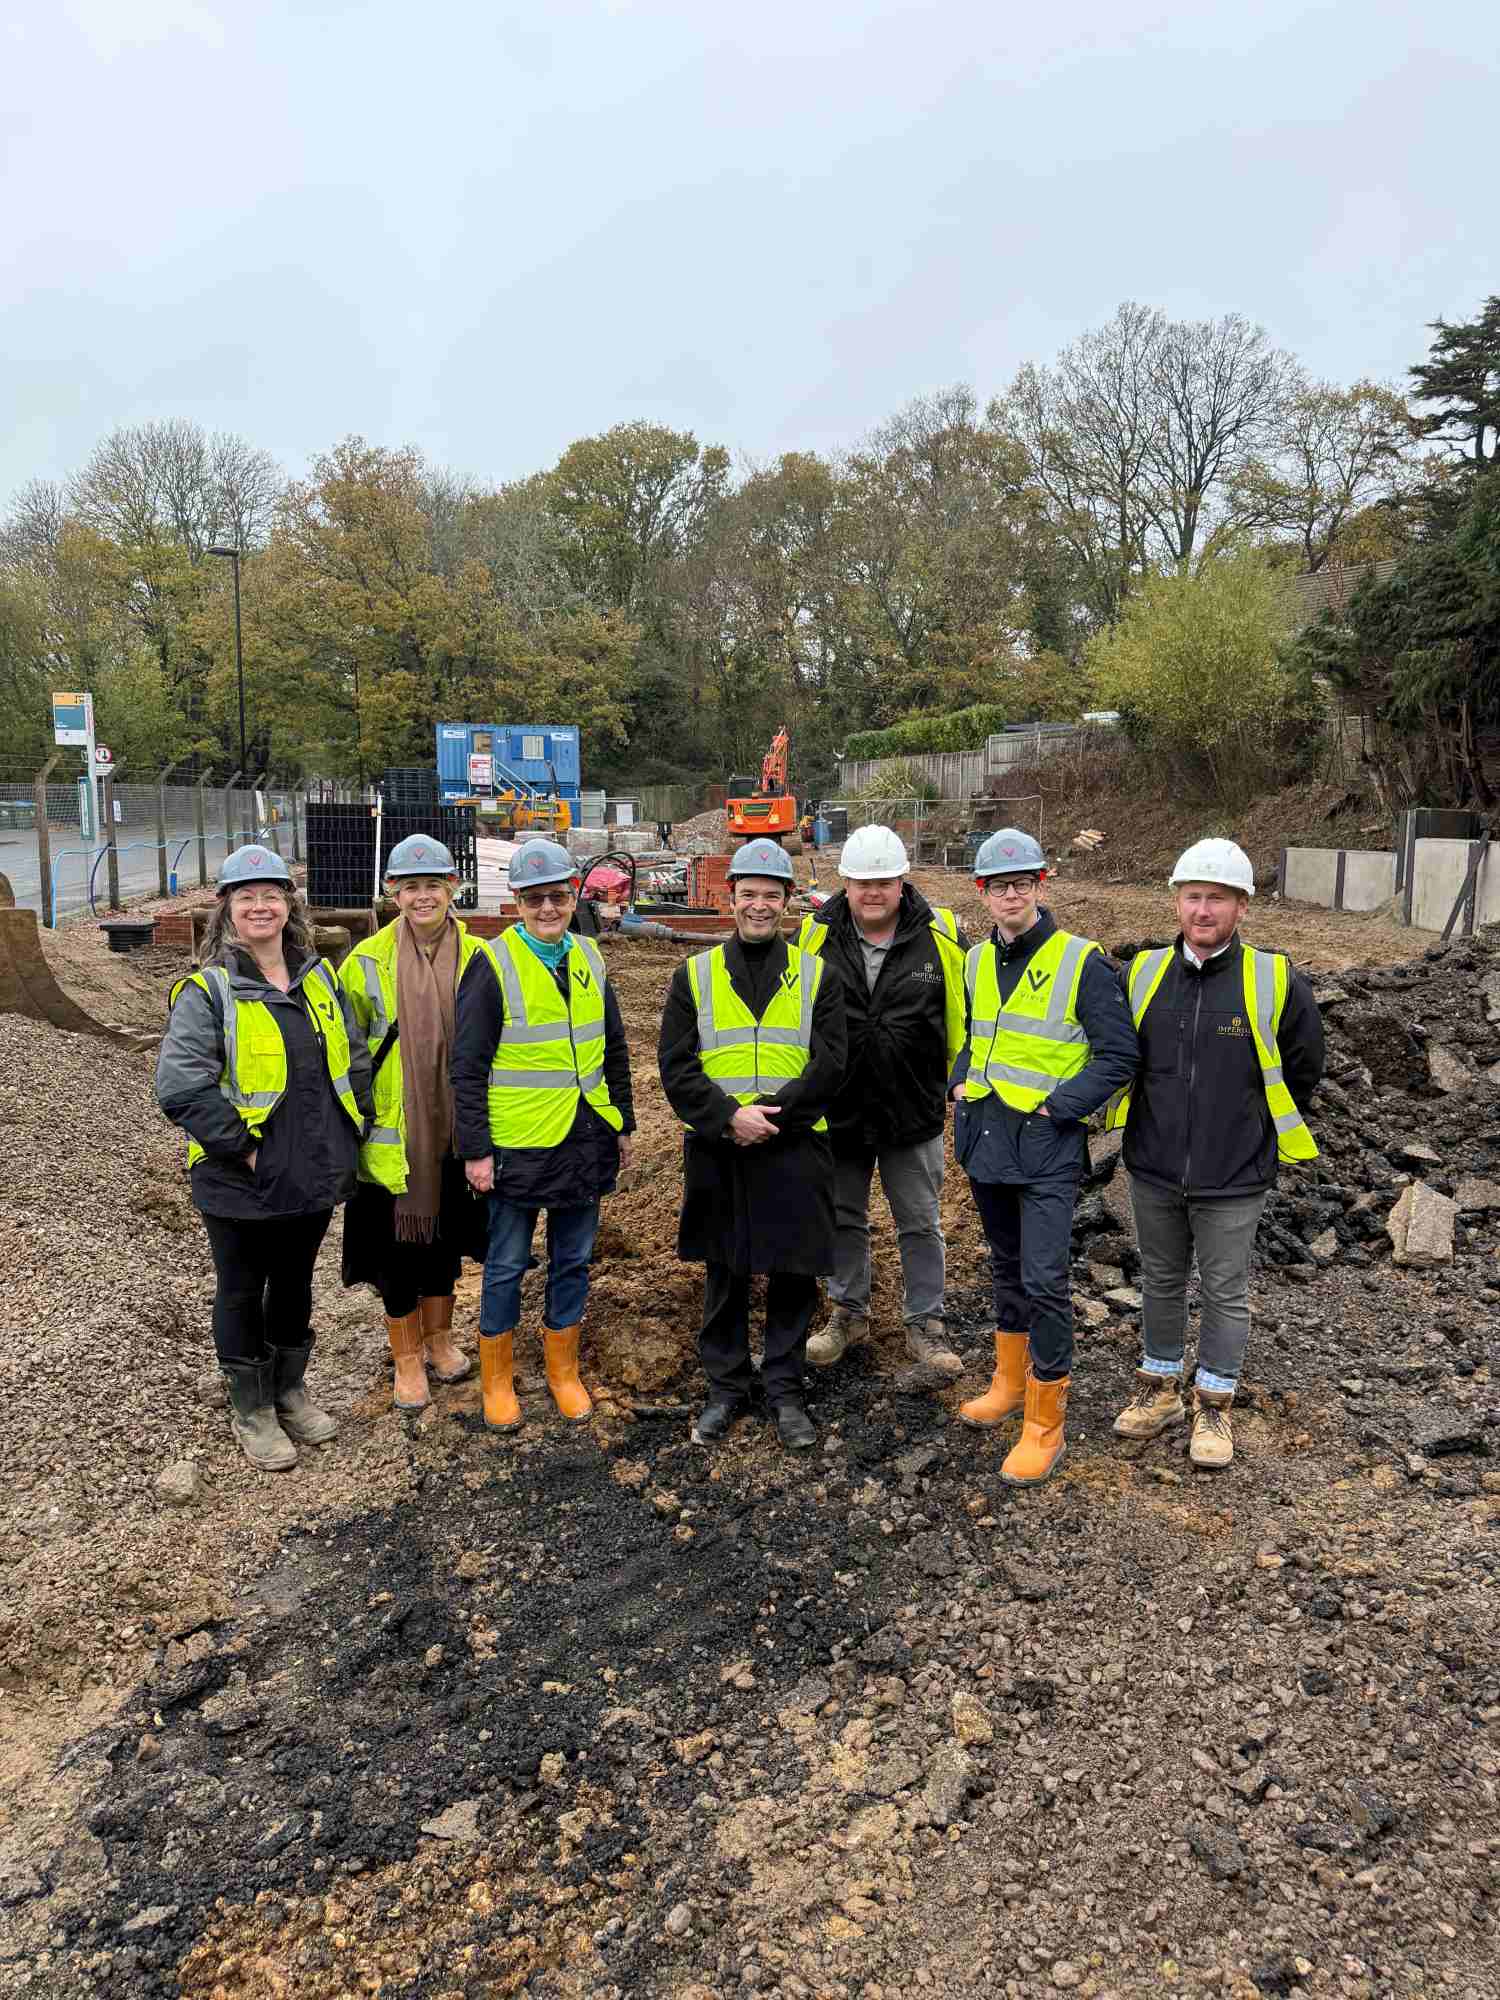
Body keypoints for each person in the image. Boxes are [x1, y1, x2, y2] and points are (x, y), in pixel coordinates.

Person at [1106, 838, 1323, 1468]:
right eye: (1194, 897)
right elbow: (1120, 1056)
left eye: (1218, 899)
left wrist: (1251, 1126)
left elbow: (1305, 1067)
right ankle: (1160, 1389)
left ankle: (1215, 1406)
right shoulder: (1142, 973)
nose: (1204, 910)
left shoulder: (1275, 979)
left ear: (1241, 907)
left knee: (1226, 1291)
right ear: (1177, 901)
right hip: (1153, 1164)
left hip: (1235, 1171)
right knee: (1161, 1281)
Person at [156, 845, 372, 1472]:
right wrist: (246, 1150)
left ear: (289, 906)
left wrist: (350, 1132)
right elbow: (182, 1085)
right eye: (246, 896)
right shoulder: (210, 991)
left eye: (271, 895)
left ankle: (289, 1390)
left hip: (310, 1167)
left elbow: (351, 1060)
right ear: (226, 908)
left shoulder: (318, 978)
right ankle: (251, 1409)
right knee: (243, 1288)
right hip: (239, 1175)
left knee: (297, 1283)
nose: (260, 906)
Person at [952, 829, 1137, 1485]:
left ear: (1040, 884)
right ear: (982, 892)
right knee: (1005, 1269)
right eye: (999, 885)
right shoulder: (975, 961)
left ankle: (1044, 1424)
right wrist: (958, 1079)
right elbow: (976, 1036)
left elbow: (1119, 1056)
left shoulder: (1079, 962)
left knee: (1044, 1281)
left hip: (1047, 1148)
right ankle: (1006, 1382)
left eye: (1022, 883)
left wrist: (1061, 1107)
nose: (1011, 894)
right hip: (987, 1138)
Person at [658, 837, 847, 1450]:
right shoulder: (695, 976)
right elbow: (677, 1065)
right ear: (730, 898)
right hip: (721, 1147)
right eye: (748, 895)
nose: (759, 905)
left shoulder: (819, 975)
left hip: (794, 1147)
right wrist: (728, 1118)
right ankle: (727, 1388)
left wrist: (775, 1118)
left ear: (788, 901)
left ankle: (785, 1389)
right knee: (727, 1269)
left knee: (795, 1272)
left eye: (771, 894)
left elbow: (832, 1063)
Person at [451, 838, 635, 1431]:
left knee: (574, 1259)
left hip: (585, 1137)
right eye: (535, 899)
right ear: (518, 903)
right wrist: (475, 1150)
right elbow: (467, 1066)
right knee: (505, 1263)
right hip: (519, 1144)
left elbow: (614, 1048)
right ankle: (498, 1379)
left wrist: (623, 1121)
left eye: (558, 896)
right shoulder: (493, 964)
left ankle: (563, 1370)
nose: (548, 909)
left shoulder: (589, 956)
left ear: (572, 896)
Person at [798, 825, 969, 1383]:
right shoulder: (813, 936)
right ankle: (849, 1314)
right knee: (843, 1218)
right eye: (862, 881)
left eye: (885, 881)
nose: (874, 892)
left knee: (919, 1223)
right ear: (844, 882)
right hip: (838, 1109)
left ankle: (926, 1322)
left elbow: (963, 1021)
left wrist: (951, 1084)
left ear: (903, 882)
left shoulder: (940, 937)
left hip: (912, 1107)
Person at [339, 834, 489, 1412]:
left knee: (445, 1239)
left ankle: (442, 1339)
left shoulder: (480, 958)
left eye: (433, 884)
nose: (422, 896)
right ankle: (406, 1357)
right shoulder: (366, 962)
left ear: (453, 888)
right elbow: (345, 1052)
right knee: (395, 1249)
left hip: (456, 1128)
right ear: (391, 893)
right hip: (394, 1135)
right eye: (410, 886)